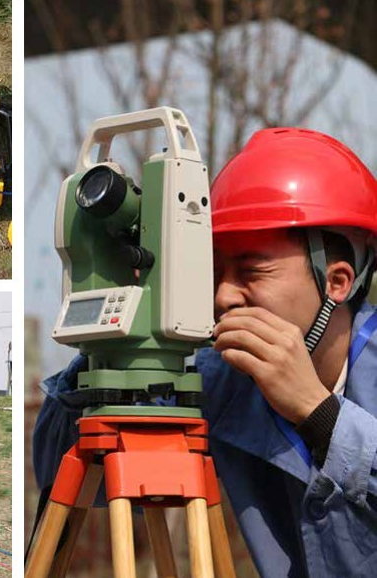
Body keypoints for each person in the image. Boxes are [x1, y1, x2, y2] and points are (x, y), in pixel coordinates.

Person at [32, 128, 377, 577]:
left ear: (337, 281)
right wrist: (124, 342)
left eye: (252, 270)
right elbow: (62, 472)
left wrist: (320, 414)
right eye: (215, 272)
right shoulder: (222, 380)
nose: (225, 297)